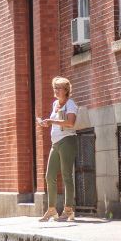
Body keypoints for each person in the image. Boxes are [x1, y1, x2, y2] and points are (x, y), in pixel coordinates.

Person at [36, 76, 79, 222]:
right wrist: (45, 123)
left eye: (58, 88)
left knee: (67, 175)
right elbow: (54, 123)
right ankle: (52, 210)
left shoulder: (70, 104)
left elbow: (71, 123)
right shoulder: (55, 104)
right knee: (49, 175)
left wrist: (51, 121)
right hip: (56, 143)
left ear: (66, 90)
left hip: (67, 141)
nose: (55, 90)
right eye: (54, 88)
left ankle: (68, 211)